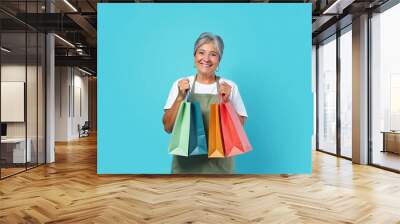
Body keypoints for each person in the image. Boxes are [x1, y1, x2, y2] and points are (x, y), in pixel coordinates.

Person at [162, 32, 248, 174]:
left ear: (219, 60)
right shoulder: (181, 85)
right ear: (194, 56)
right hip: (185, 168)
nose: (206, 59)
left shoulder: (229, 87)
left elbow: (239, 131)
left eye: (213, 54)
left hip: (220, 170)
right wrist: (179, 97)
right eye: (201, 52)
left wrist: (227, 102)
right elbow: (167, 127)